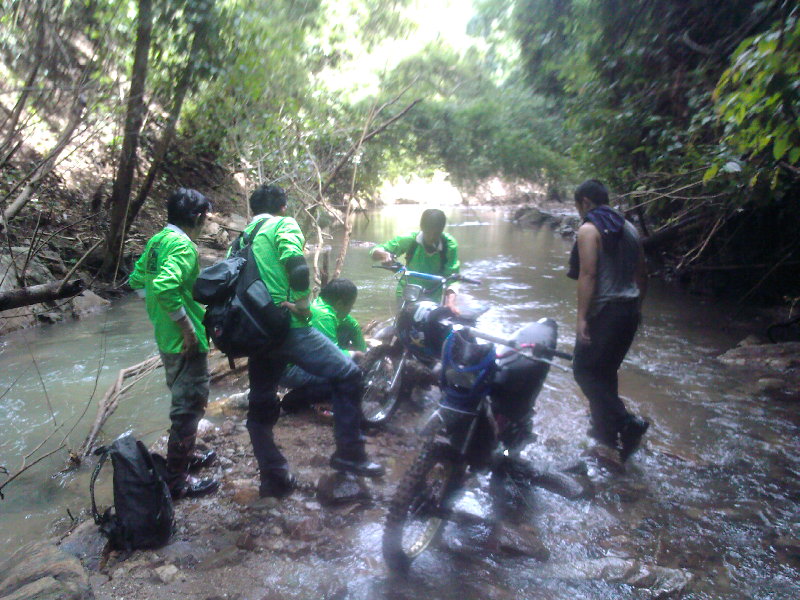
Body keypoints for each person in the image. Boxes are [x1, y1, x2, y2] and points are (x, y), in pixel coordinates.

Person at [242, 184, 383, 499]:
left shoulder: (243, 237)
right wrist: (304, 303)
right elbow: (295, 262)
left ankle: (273, 477)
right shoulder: (283, 224)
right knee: (349, 374)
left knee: (260, 405)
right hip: (286, 325)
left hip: (255, 333)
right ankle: (349, 453)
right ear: (282, 207)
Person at [128, 188, 218, 499]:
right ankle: (177, 479)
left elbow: (137, 280)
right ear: (198, 217)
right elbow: (166, 286)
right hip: (183, 338)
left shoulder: (158, 240)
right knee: (190, 405)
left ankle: (185, 457)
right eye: (205, 217)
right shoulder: (183, 245)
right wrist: (186, 328)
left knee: (183, 397)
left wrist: (158, 313)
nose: (206, 223)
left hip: (165, 335)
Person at [568, 179, 649, 462]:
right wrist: (638, 307)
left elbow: (588, 274)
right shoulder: (629, 228)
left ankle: (627, 423)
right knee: (605, 373)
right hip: (629, 311)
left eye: (578, 207)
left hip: (605, 312)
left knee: (583, 371)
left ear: (585, 202)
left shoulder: (589, 230)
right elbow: (642, 273)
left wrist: (581, 318)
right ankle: (605, 435)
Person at [280, 278, 367, 412]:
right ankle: (295, 400)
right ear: (339, 304)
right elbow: (332, 359)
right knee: (352, 377)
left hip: (291, 365)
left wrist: (354, 327)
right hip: (291, 372)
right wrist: (354, 354)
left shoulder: (319, 305)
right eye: (350, 306)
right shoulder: (324, 316)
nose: (351, 310)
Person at [370, 208, 460, 311]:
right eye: (428, 232)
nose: (431, 237)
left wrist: (450, 303)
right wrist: (384, 255)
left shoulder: (449, 245)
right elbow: (374, 252)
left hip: (434, 296)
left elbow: (452, 277)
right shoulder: (410, 240)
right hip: (407, 293)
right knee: (404, 319)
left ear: (442, 230)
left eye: (436, 233)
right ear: (422, 227)